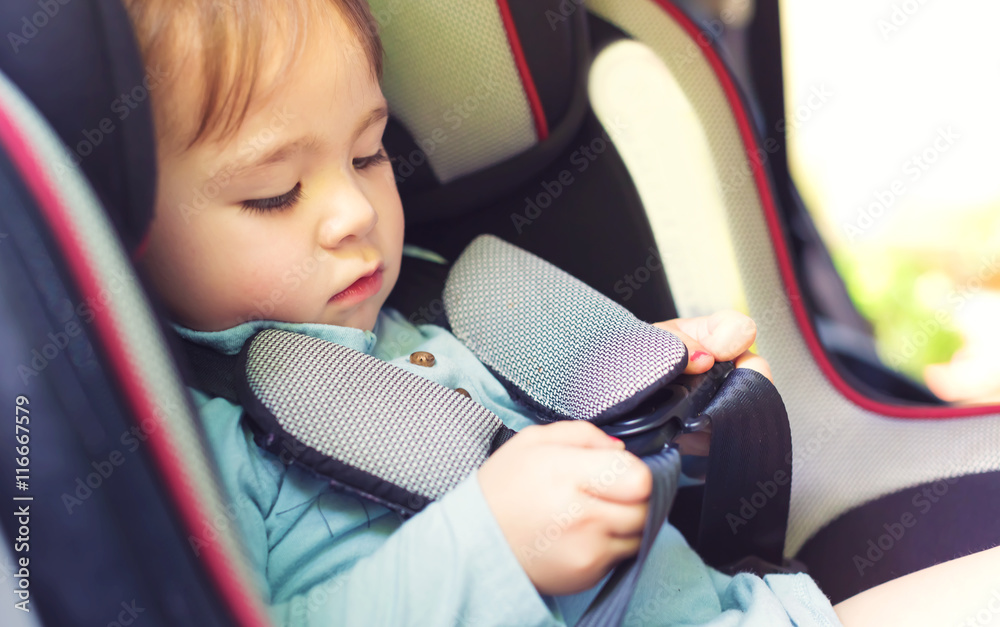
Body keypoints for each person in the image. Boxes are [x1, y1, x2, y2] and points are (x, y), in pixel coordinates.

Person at [122, 1, 999, 625]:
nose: (351, 210)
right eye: (275, 194)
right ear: (125, 227)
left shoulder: (440, 306)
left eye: (367, 153)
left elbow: (601, 455)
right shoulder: (186, 441)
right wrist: (489, 547)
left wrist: (662, 390)